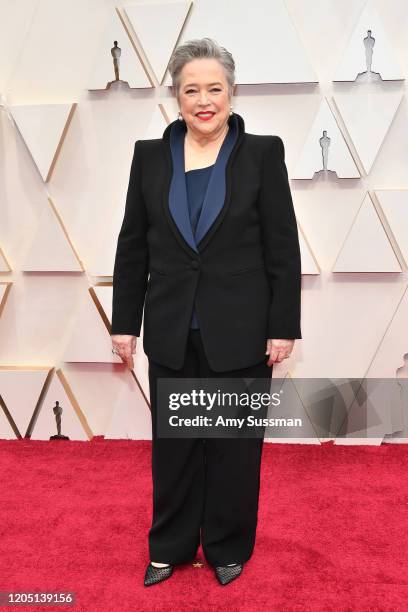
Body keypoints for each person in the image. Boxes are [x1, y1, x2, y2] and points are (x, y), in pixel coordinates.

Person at [111, 37, 302, 587]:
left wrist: (282, 326)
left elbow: (281, 246)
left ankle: (226, 547)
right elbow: (133, 246)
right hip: (172, 327)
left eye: (214, 88)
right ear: (176, 96)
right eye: (191, 89)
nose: (203, 100)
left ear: (232, 92)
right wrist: (125, 323)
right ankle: (169, 546)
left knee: (233, 449)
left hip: (242, 328)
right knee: (174, 448)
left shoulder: (263, 152)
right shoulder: (150, 156)